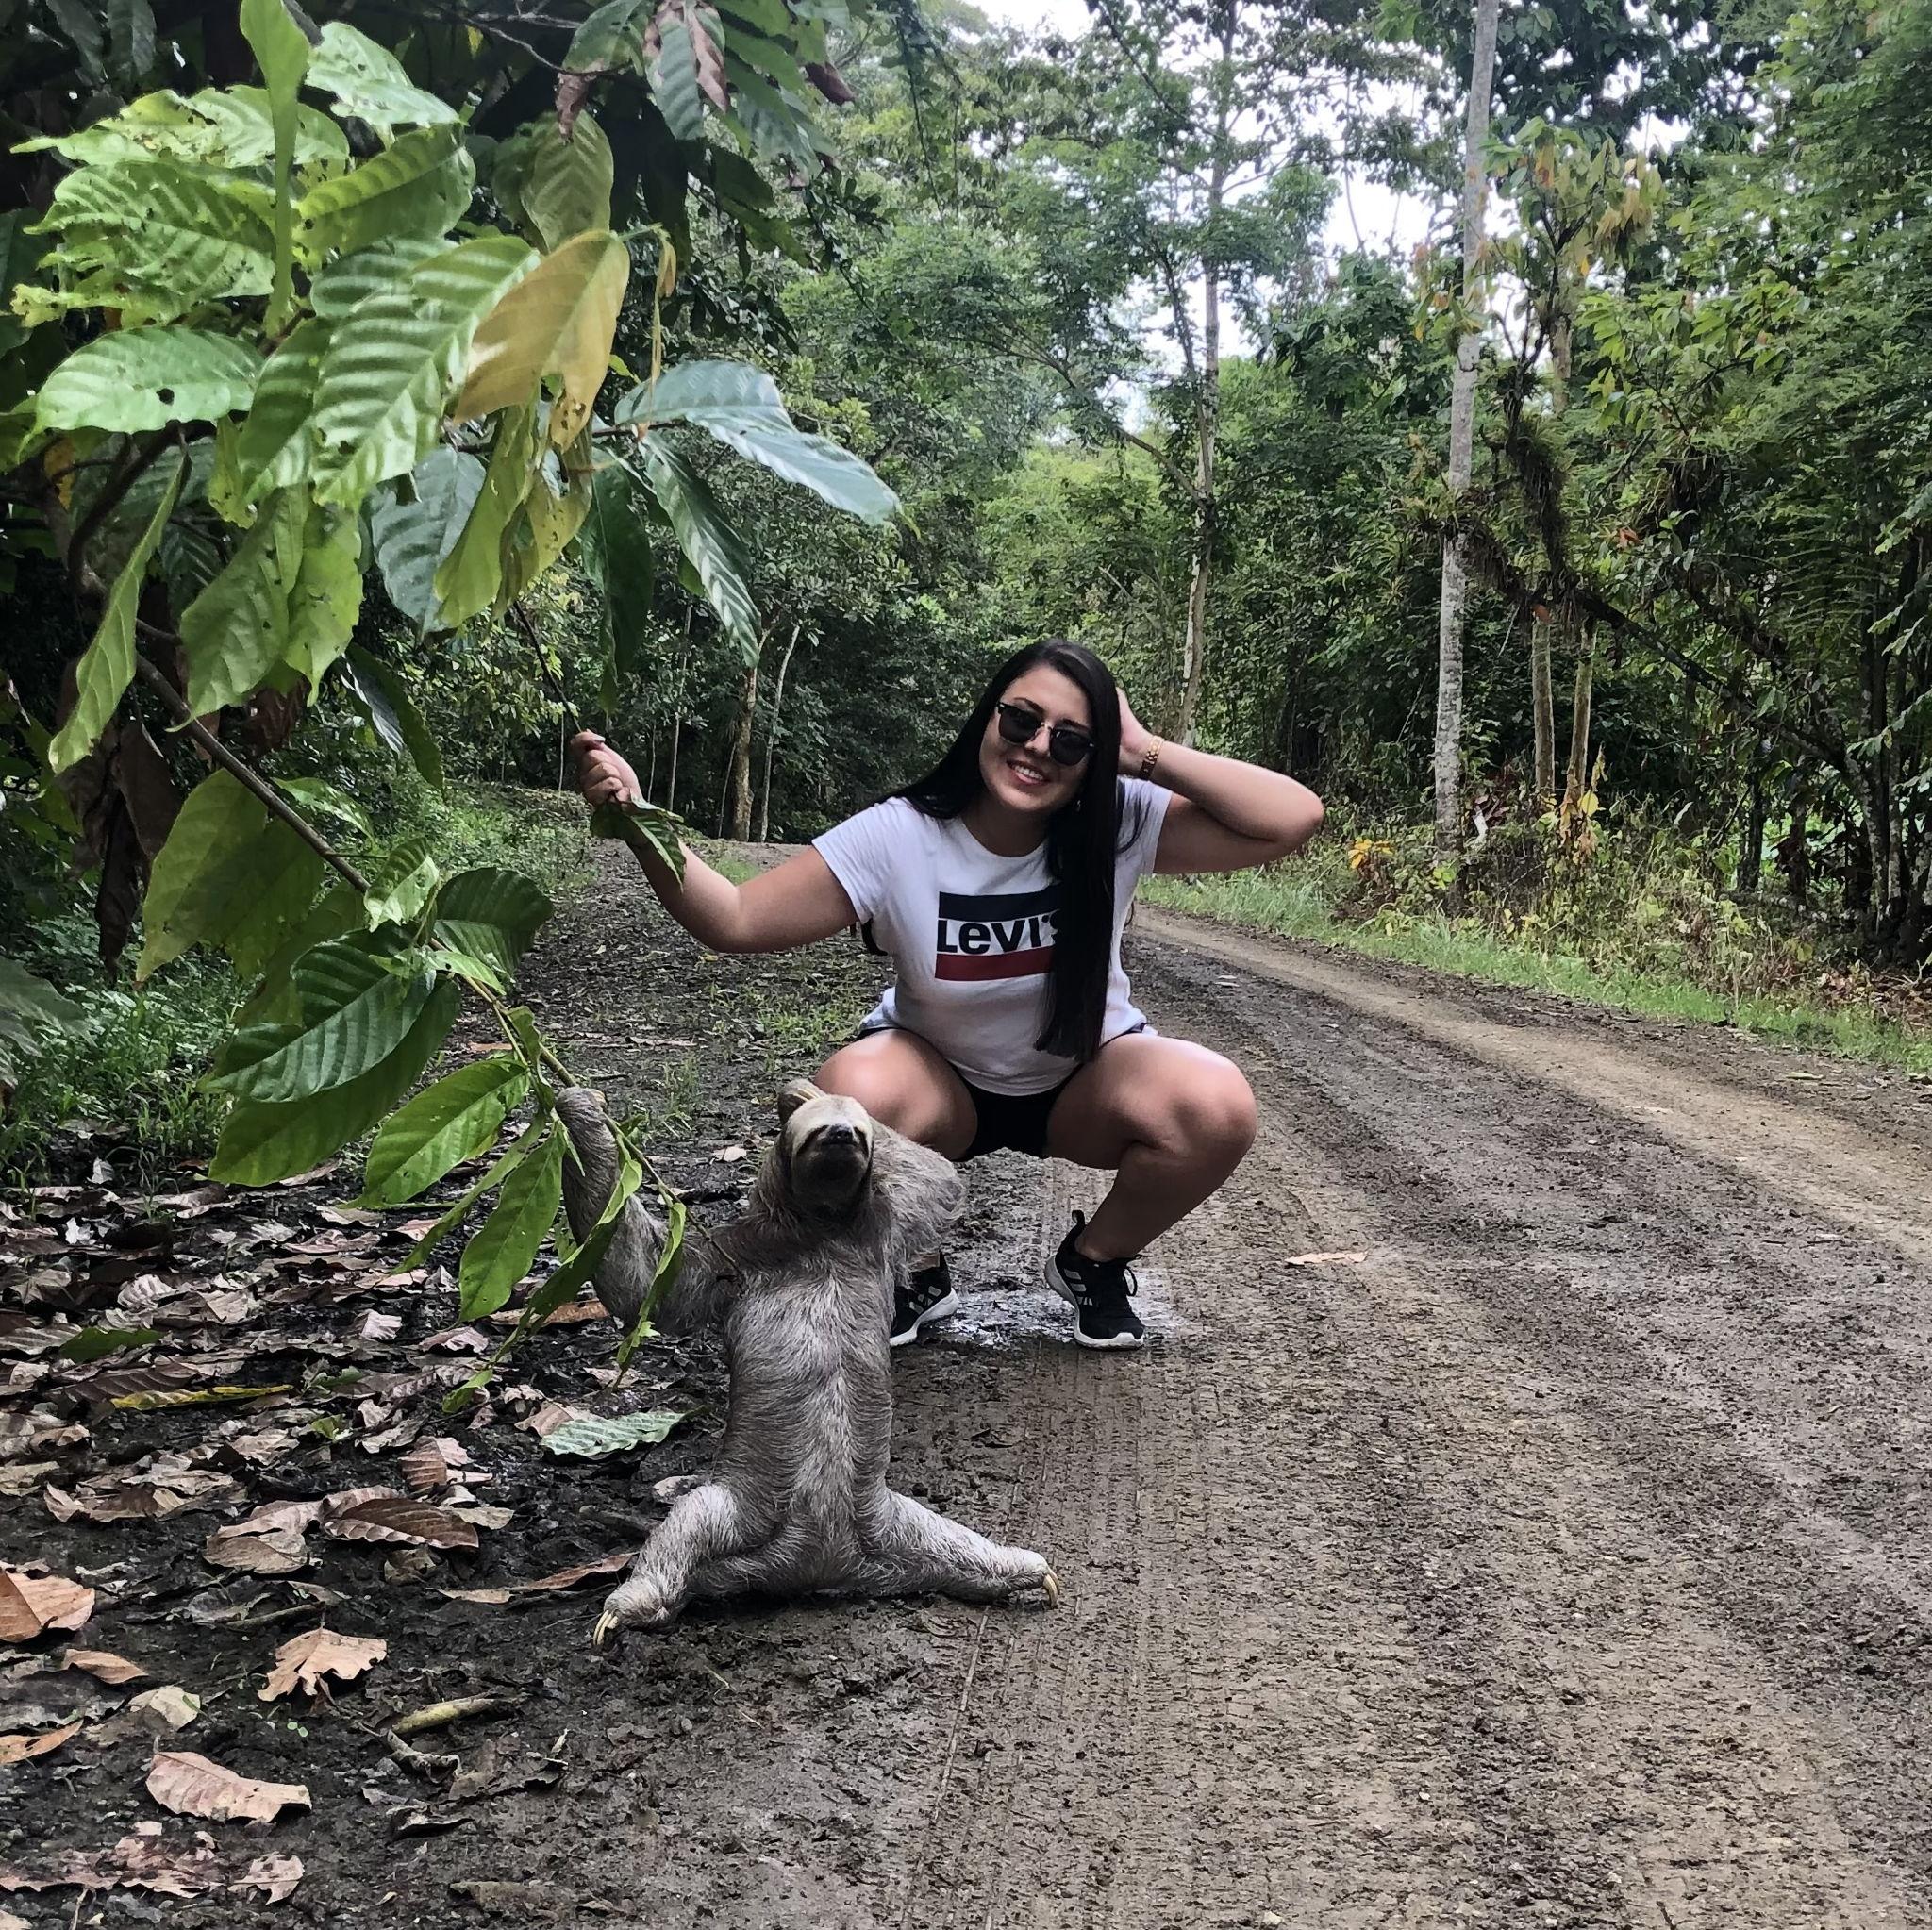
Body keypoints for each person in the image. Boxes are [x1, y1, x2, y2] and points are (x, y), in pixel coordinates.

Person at [572, 639, 1324, 1351]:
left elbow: (1292, 819)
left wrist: (1143, 751)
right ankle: (915, 1266)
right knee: (849, 1097)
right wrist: (640, 822)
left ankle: (1094, 1259)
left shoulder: (1117, 821)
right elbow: (734, 919)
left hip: (1083, 1080)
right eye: (1023, 720)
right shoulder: (900, 836)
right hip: (940, 1085)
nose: (1037, 748)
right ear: (987, 718)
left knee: (1216, 1102)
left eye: (1070, 741)